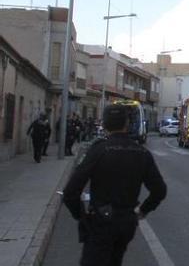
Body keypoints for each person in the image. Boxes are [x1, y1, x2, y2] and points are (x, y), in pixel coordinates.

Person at [62, 104, 167, 266]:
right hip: (127, 223)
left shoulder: (98, 150)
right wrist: (142, 210)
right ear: (127, 124)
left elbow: (70, 192)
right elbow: (159, 190)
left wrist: (82, 217)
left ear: (104, 125)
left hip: (100, 223)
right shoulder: (142, 152)